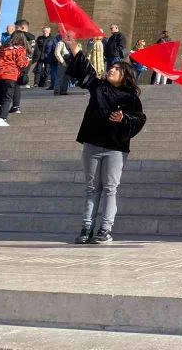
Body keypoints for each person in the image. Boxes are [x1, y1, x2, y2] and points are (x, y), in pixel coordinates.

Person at [63, 33, 146, 244]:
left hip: (115, 148)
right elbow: (86, 71)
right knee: (92, 188)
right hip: (92, 143)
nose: (111, 69)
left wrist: (124, 118)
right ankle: (86, 227)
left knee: (110, 188)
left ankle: (105, 229)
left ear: (125, 75)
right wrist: (74, 47)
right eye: (111, 67)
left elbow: (139, 119)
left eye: (117, 69)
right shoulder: (99, 87)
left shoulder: (131, 97)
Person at [0, 32, 30, 127]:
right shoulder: (19, 49)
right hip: (10, 75)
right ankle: (1, 118)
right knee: (7, 97)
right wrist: (27, 60)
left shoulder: (1, 49)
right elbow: (21, 63)